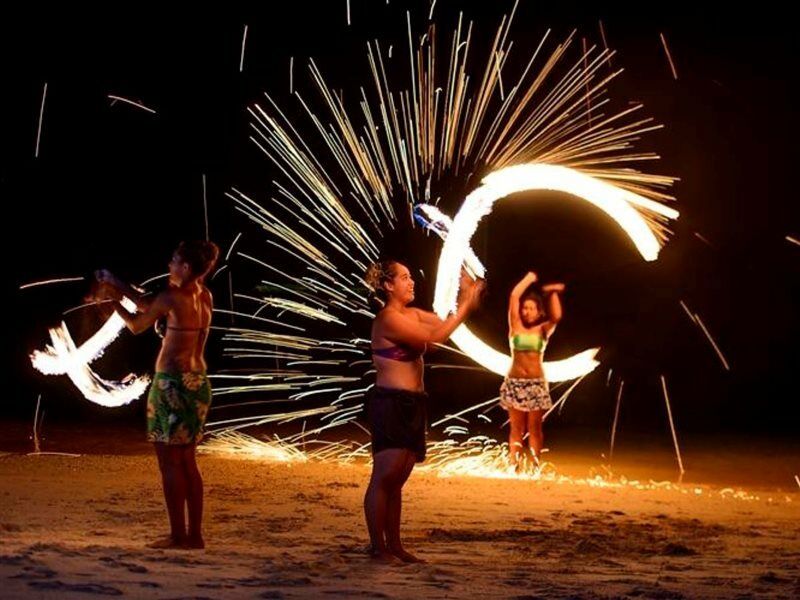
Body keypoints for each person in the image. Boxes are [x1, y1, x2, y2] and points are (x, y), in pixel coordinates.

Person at [92, 240, 219, 549]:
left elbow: (137, 323)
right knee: (188, 460)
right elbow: (148, 302)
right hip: (197, 383)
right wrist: (116, 284)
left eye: (174, 261)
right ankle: (195, 535)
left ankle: (178, 536)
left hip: (171, 385)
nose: (169, 266)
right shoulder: (205, 296)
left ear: (186, 267)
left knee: (169, 464)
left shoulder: (173, 296)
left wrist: (113, 303)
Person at [363, 260, 483, 562]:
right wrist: (465, 305)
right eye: (404, 278)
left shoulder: (412, 315)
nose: (412, 282)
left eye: (411, 276)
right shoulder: (388, 318)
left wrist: (465, 294)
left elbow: (444, 324)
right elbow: (434, 338)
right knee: (385, 475)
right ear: (388, 285)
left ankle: (395, 545)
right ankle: (378, 547)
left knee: (399, 478)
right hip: (391, 403)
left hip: (413, 403)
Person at [500, 271, 565, 470]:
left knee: (535, 428)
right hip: (515, 383)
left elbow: (556, 316)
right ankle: (514, 466)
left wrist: (553, 292)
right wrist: (528, 279)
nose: (526, 311)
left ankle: (536, 466)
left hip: (536, 384)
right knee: (516, 429)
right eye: (524, 308)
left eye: (531, 308)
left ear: (539, 311)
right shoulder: (515, 327)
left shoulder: (543, 330)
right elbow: (514, 296)